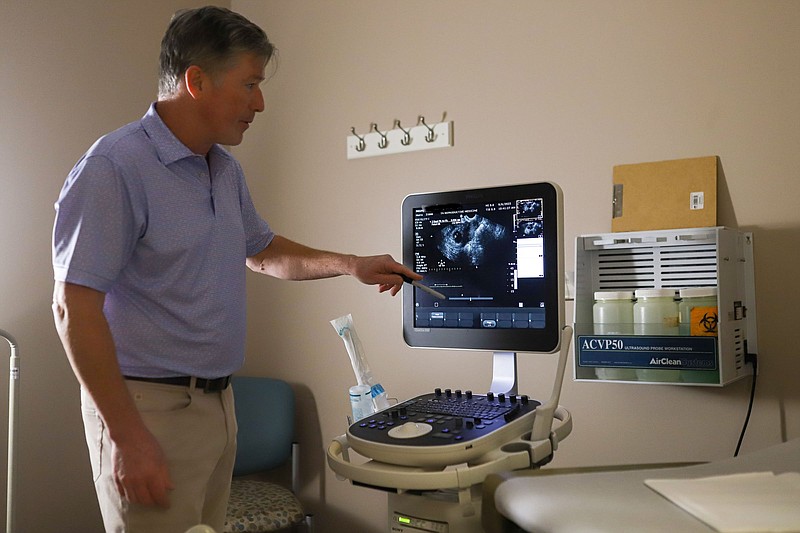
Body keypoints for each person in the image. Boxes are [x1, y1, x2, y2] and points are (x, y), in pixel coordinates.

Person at [51, 6, 418, 532]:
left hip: (218, 404)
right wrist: (128, 437)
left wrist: (351, 264)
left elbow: (262, 251)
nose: (260, 103)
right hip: (147, 412)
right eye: (250, 84)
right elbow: (73, 308)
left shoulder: (222, 169)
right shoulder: (114, 168)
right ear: (196, 81)